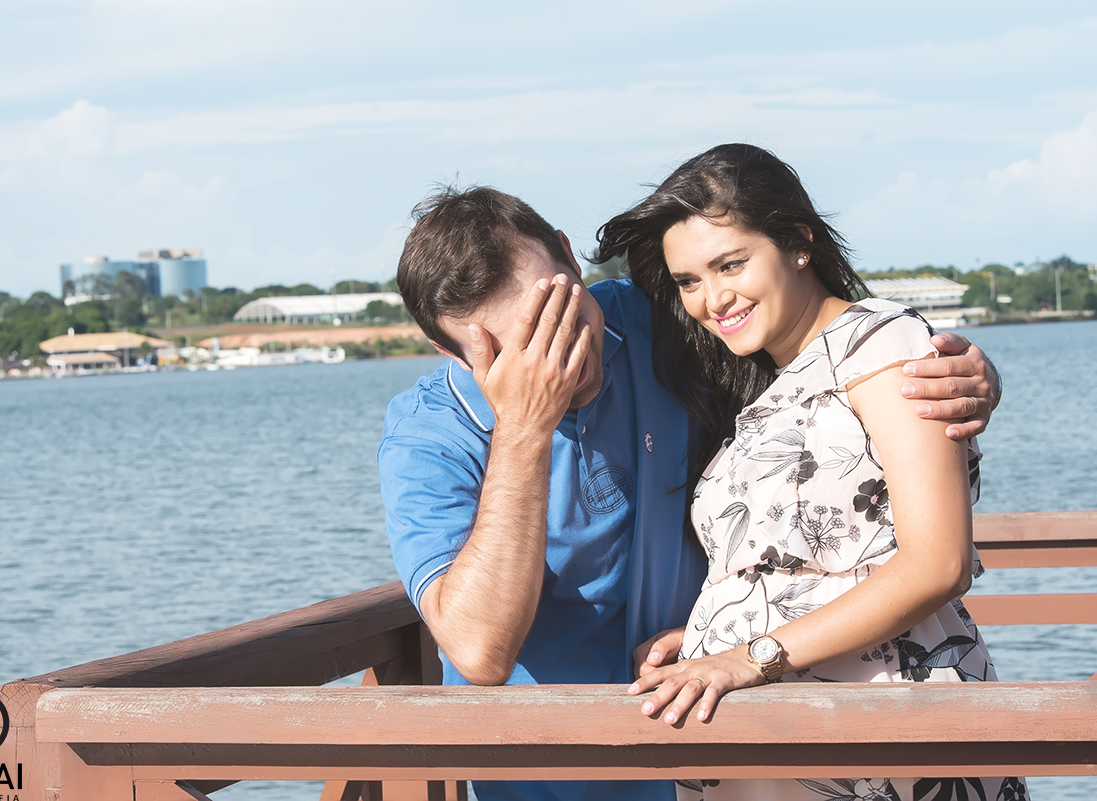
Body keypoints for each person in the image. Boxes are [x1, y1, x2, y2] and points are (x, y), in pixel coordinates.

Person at [379, 185, 1004, 801]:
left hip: (725, 755)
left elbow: (833, 356)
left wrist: (956, 374)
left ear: (572, 258)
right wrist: (524, 426)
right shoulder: (426, 438)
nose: (559, 356)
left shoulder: (671, 320)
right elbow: (479, 652)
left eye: (563, 316)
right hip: (550, 779)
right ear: (446, 351)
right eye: (520, 348)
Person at [596, 143, 1028, 801]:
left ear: (799, 240)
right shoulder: (763, 387)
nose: (713, 298)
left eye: (731, 263)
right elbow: (804, 563)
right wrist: (730, 617)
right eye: (689, 281)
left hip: (875, 726)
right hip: (769, 739)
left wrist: (748, 655)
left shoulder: (880, 343)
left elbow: (938, 563)